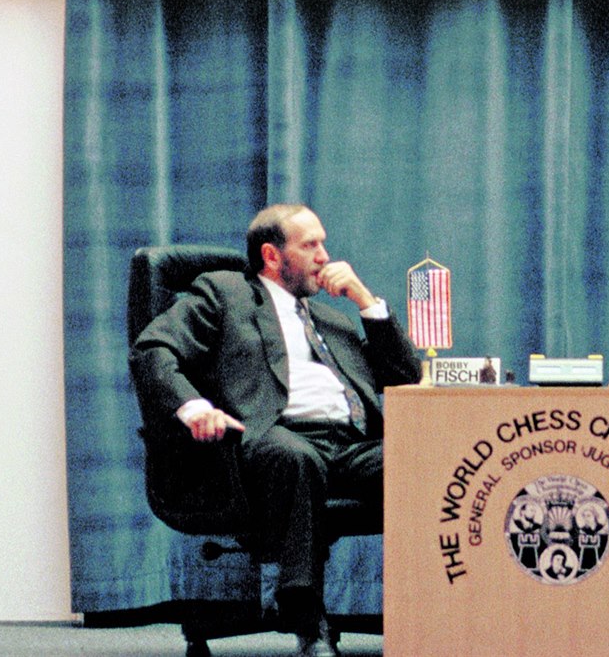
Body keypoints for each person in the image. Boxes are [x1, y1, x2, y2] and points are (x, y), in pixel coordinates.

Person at [130, 204, 420, 657]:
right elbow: (153, 349)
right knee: (295, 457)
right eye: (310, 245)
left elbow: (404, 376)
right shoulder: (224, 293)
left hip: (348, 444)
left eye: (323, 244)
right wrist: (194, 407)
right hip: (270, 437)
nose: (324, 256)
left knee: (422, 465)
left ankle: (437, 605)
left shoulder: (333, 321)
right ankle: (304, 613)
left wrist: (366, 302)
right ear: (271, 255)